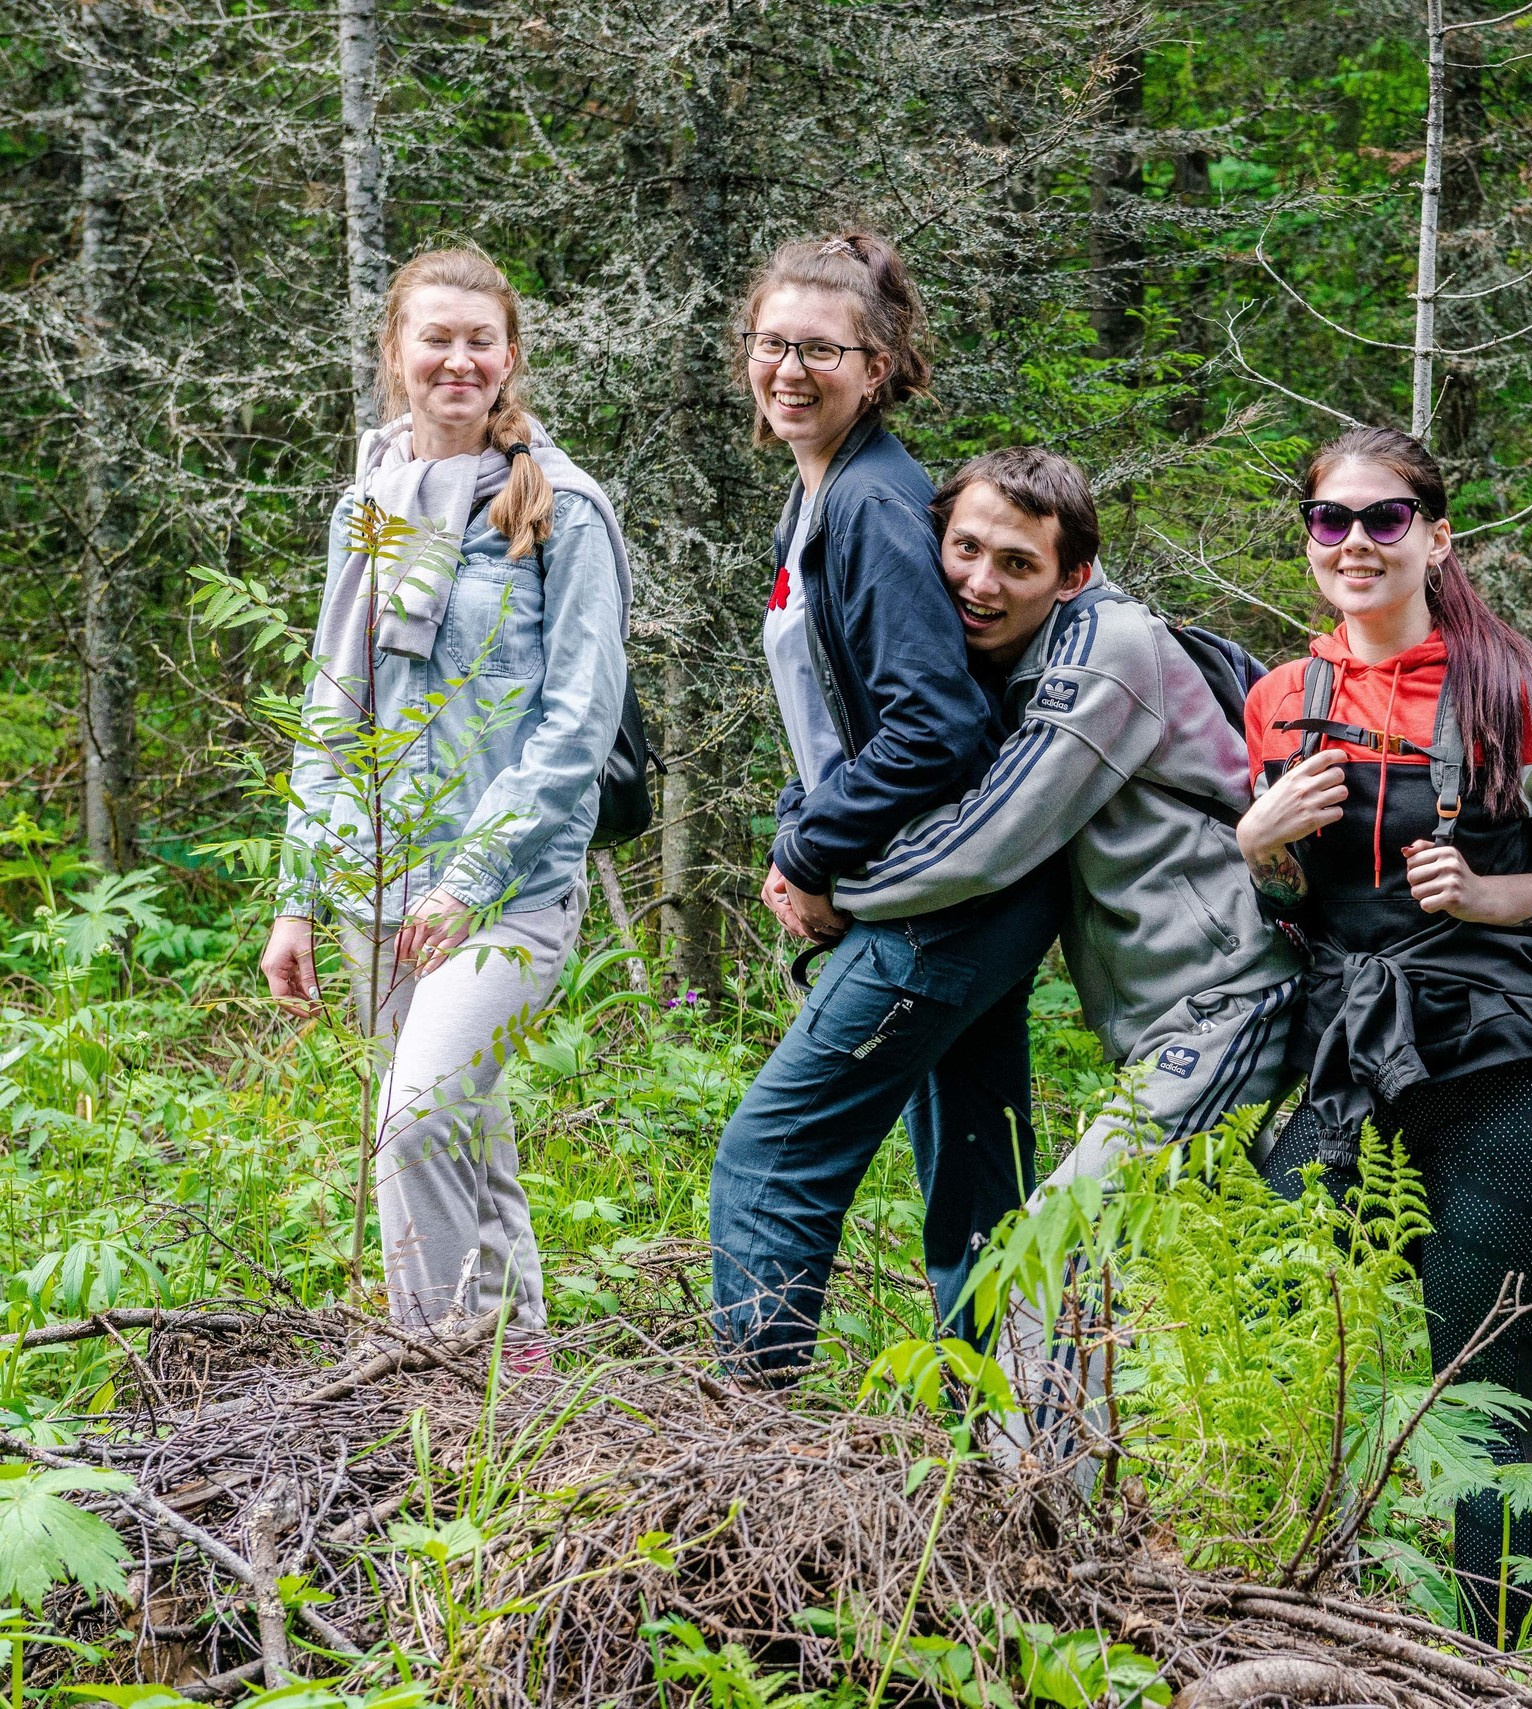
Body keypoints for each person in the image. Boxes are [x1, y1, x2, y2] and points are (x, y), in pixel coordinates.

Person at [1237, 426, 1532, 1646]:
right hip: (1346, 1057)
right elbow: (1266, 906)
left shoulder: (1511, 690)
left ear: (1436, 537)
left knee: (1481, 1375)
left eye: (1385, 518)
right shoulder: (1280, 698)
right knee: (1301, 1340)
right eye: (1331, 520)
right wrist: (1253, 838)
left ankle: (1485, 1655)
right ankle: (1304, 1616)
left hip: (1492, 1060)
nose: (1355, 542)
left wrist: (1494, 893)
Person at [705, 228, 1068, 1374]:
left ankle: (750, 1438)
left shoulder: (869, 502)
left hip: (942, 904)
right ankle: (1016, 1444)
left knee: (767, 1159)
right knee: (977, 1185)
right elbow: (839, 718)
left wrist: (810, 853)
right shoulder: (822, 495)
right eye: (771, 343)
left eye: (821, 349)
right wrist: (798, 832)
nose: (789, 370)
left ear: (876, 366)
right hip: (963, 888)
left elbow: (935, 728)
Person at [260, 245, 634, 1351]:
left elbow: (579, 721)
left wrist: (471, 878)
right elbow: (336, 703)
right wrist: (298, 895)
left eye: (480, 340)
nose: (457, 360)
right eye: (436, 338)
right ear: (396, 352)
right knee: (466, 1138)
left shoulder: (562, 506)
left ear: (509, 356)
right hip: (378, 884)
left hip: (507, 892)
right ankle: (518, 1370)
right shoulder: (369, 503)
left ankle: (425, 1361)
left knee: (415, 1121)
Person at [835, 447, 1302, 1192]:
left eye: (1017, 564)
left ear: (1072, 577)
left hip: (1231, 1003)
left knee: (1059, 1238)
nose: (981, 582)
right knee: (1237, 1243)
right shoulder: (1024, 654)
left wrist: (834, 885)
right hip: (1169, 1020)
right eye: (966, 549)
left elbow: (991, 839)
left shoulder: (1103, 652)